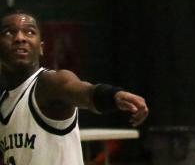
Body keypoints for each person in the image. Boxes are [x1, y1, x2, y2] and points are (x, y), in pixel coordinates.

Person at [0, 11, 149, 164]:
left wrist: (113, 96)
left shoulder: (51, 83)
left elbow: (84, 92)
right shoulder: (4, 102)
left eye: (29, 32)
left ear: (41, 48)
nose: (20, 38)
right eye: (9, 32)